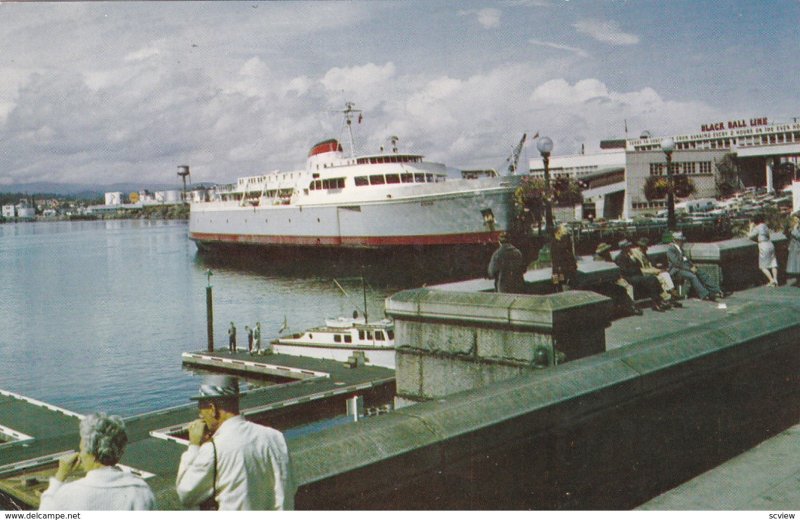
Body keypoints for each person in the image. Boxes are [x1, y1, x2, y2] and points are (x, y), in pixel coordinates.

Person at [176, 375, 295, 510]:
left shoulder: (214, 448)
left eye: (201, 408)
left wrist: (194, 446)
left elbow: (185, 495)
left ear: (212, 408)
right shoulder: (275, 436)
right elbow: (290, 485)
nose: (200, 416)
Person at [39, 413, 155, 511]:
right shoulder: (141, 491)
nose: (80, 454)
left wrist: (60, 476)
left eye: (81, 449)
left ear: (92, 454)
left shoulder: (70, 493)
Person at [666, 231, 725, 301]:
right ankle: (704, 294)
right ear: (675, 240)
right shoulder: (671, 249)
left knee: (702, 273)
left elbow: (687, 260)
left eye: (681, 240)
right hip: (676, 270)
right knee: (692, 276)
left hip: (685, 268)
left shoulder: (681, 249)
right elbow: (677, 263)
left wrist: (693, 266)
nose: (682, 242)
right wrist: (690, 269)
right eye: (679, 240)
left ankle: (716, 290)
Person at [615, 240, 671, 312]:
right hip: (629, 277)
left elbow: (638, 265)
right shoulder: (620, 257)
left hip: (636, 275)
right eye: (628, 246)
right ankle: (657, 302)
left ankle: (658, 301)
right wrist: (636, 269)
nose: (630, 248)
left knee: (653, 279)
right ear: (623, 248)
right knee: (651, 279)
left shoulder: (629, 255)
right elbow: (625, 271)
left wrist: (634, 260)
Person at [592, 242, 641, 316]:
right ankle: (631, 306)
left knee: (625, 286)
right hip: (607, 280)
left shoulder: (607, 257)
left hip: (613, 278)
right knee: (628, 287)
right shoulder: (599, 260)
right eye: (607, 250)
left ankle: (630, 305)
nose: (609, 251)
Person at [631, 238, 682, 307]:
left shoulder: (644, 253)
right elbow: (641, 268)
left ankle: (671, 293)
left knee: (665, 274)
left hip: (650, 270)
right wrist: (657, 271)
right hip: (644, 273)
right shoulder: (635, 254)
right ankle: (669, 298)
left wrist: (658, 269)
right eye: (645, 247)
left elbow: (650, 265)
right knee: (661, 278)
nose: (647, 248)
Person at [748, 214, 778, 286]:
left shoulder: (757, 228)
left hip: (763, 245)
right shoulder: (765, 226)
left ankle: (771, 280)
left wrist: (750, 228)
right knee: (773, 263)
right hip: (770, 244)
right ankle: (775, 279)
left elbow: (750, 236)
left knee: (763, 266)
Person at [551, 224, 577, 291]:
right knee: (560, 285)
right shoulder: (554, 244)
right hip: (559, 269)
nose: (565, 230)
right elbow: (554, 261)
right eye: (563, 228)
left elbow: (570, 254)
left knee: (564, 284)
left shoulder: (565, 240)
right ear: (558, 231)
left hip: (566, 270)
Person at [785, 213, 800, 286]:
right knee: (796, 266)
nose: (795, 220)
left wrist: (794, 229)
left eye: (796, 218)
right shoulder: (795, 226)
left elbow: (798, 236)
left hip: (798, 248)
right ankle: (798, 280)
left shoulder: (796, 228)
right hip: (794, 248)